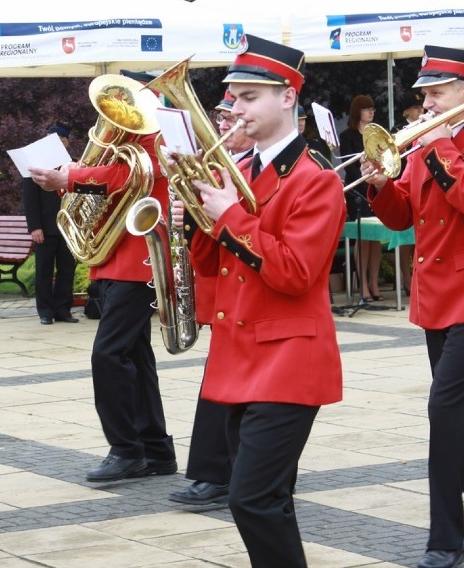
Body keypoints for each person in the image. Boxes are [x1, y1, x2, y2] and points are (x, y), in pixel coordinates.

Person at [360, 45, 464, 568]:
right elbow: (403, 216)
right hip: (437, 293)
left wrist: (439, 146)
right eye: (424, 94)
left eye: (435, 93)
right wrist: (381, 185)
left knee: (446, 407)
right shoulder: (427, 145)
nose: (425, 104)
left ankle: (444, 539)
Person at [186, 35, 345, 566]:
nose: (235, 109)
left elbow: (296, 273)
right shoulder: (240, 170)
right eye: (233, 98)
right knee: (267, 501)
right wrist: (200, 217)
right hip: (241, 354)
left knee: (250, 499)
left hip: (288, 359)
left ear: (287, 98)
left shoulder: (315, 179)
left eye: (249, 97)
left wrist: (229, 216)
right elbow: (211, 267)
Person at [30, 69, 177, 483]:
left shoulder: (158, 136)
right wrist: (70, 177)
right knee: (134, 355)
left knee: (108, 355)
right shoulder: (122, 140)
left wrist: (71, 177)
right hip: (116, 257)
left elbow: (131, 177)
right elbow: (106, 185)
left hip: (139, 260)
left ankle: (126, 449)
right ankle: (155, 450)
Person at [167, 91, 252, 506]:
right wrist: (191, 220)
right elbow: (209, 244)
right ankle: (215, 469)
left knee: (234, 386)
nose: (224, 124)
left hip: (247, 285)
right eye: (220, 117)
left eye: (231, 116)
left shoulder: (256, 169)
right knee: (219, 381)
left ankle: (225, 471)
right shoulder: (223, 167)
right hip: (222, 282)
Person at [22, 122, 78, 325]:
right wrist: (34, 227)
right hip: (45, 227)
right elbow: (29, 198)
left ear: (67, 142)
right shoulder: (36, 164)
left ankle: (63, 309)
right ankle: (45, 311)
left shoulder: (74, 164)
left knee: (67, 269)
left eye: (60, 140)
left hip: (69, 227)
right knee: (44, 270)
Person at [340, 95, 385, 303]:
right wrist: (365, 178)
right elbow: (349, 167)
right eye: (366, 109)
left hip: (374, 188)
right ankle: (363, 285)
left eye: (372, 108)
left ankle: (374, 282)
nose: (371, 112)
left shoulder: (375, 134)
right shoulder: (347, 135)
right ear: (357, 112)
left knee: (375, 239)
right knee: (363, 237)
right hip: (358, 191)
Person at [390, 92, 425, 296]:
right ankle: (406, 277)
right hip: (403, 184)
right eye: (416, 107)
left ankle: (411, 278)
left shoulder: (428, 131)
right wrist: (381, 185)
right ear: (406, 111)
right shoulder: (398, 132)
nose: (423, 108)